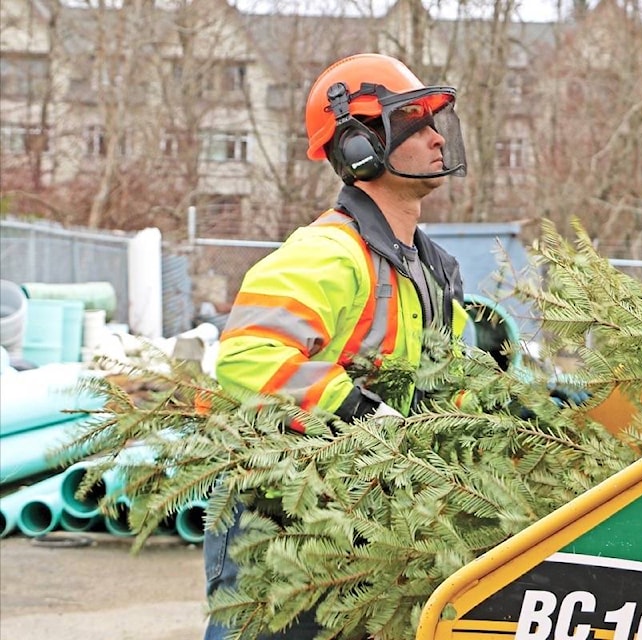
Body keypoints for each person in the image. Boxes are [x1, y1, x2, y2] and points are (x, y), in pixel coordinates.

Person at [203, 52, 472, 639]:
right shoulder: (328, 252)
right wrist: (352, 410)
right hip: (283, 532)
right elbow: (249, 356)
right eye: (416, 124)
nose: (435, 138)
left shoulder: (428, 269)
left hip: (367, 530)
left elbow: (431, 393)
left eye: (435, 123)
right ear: (359, 146)